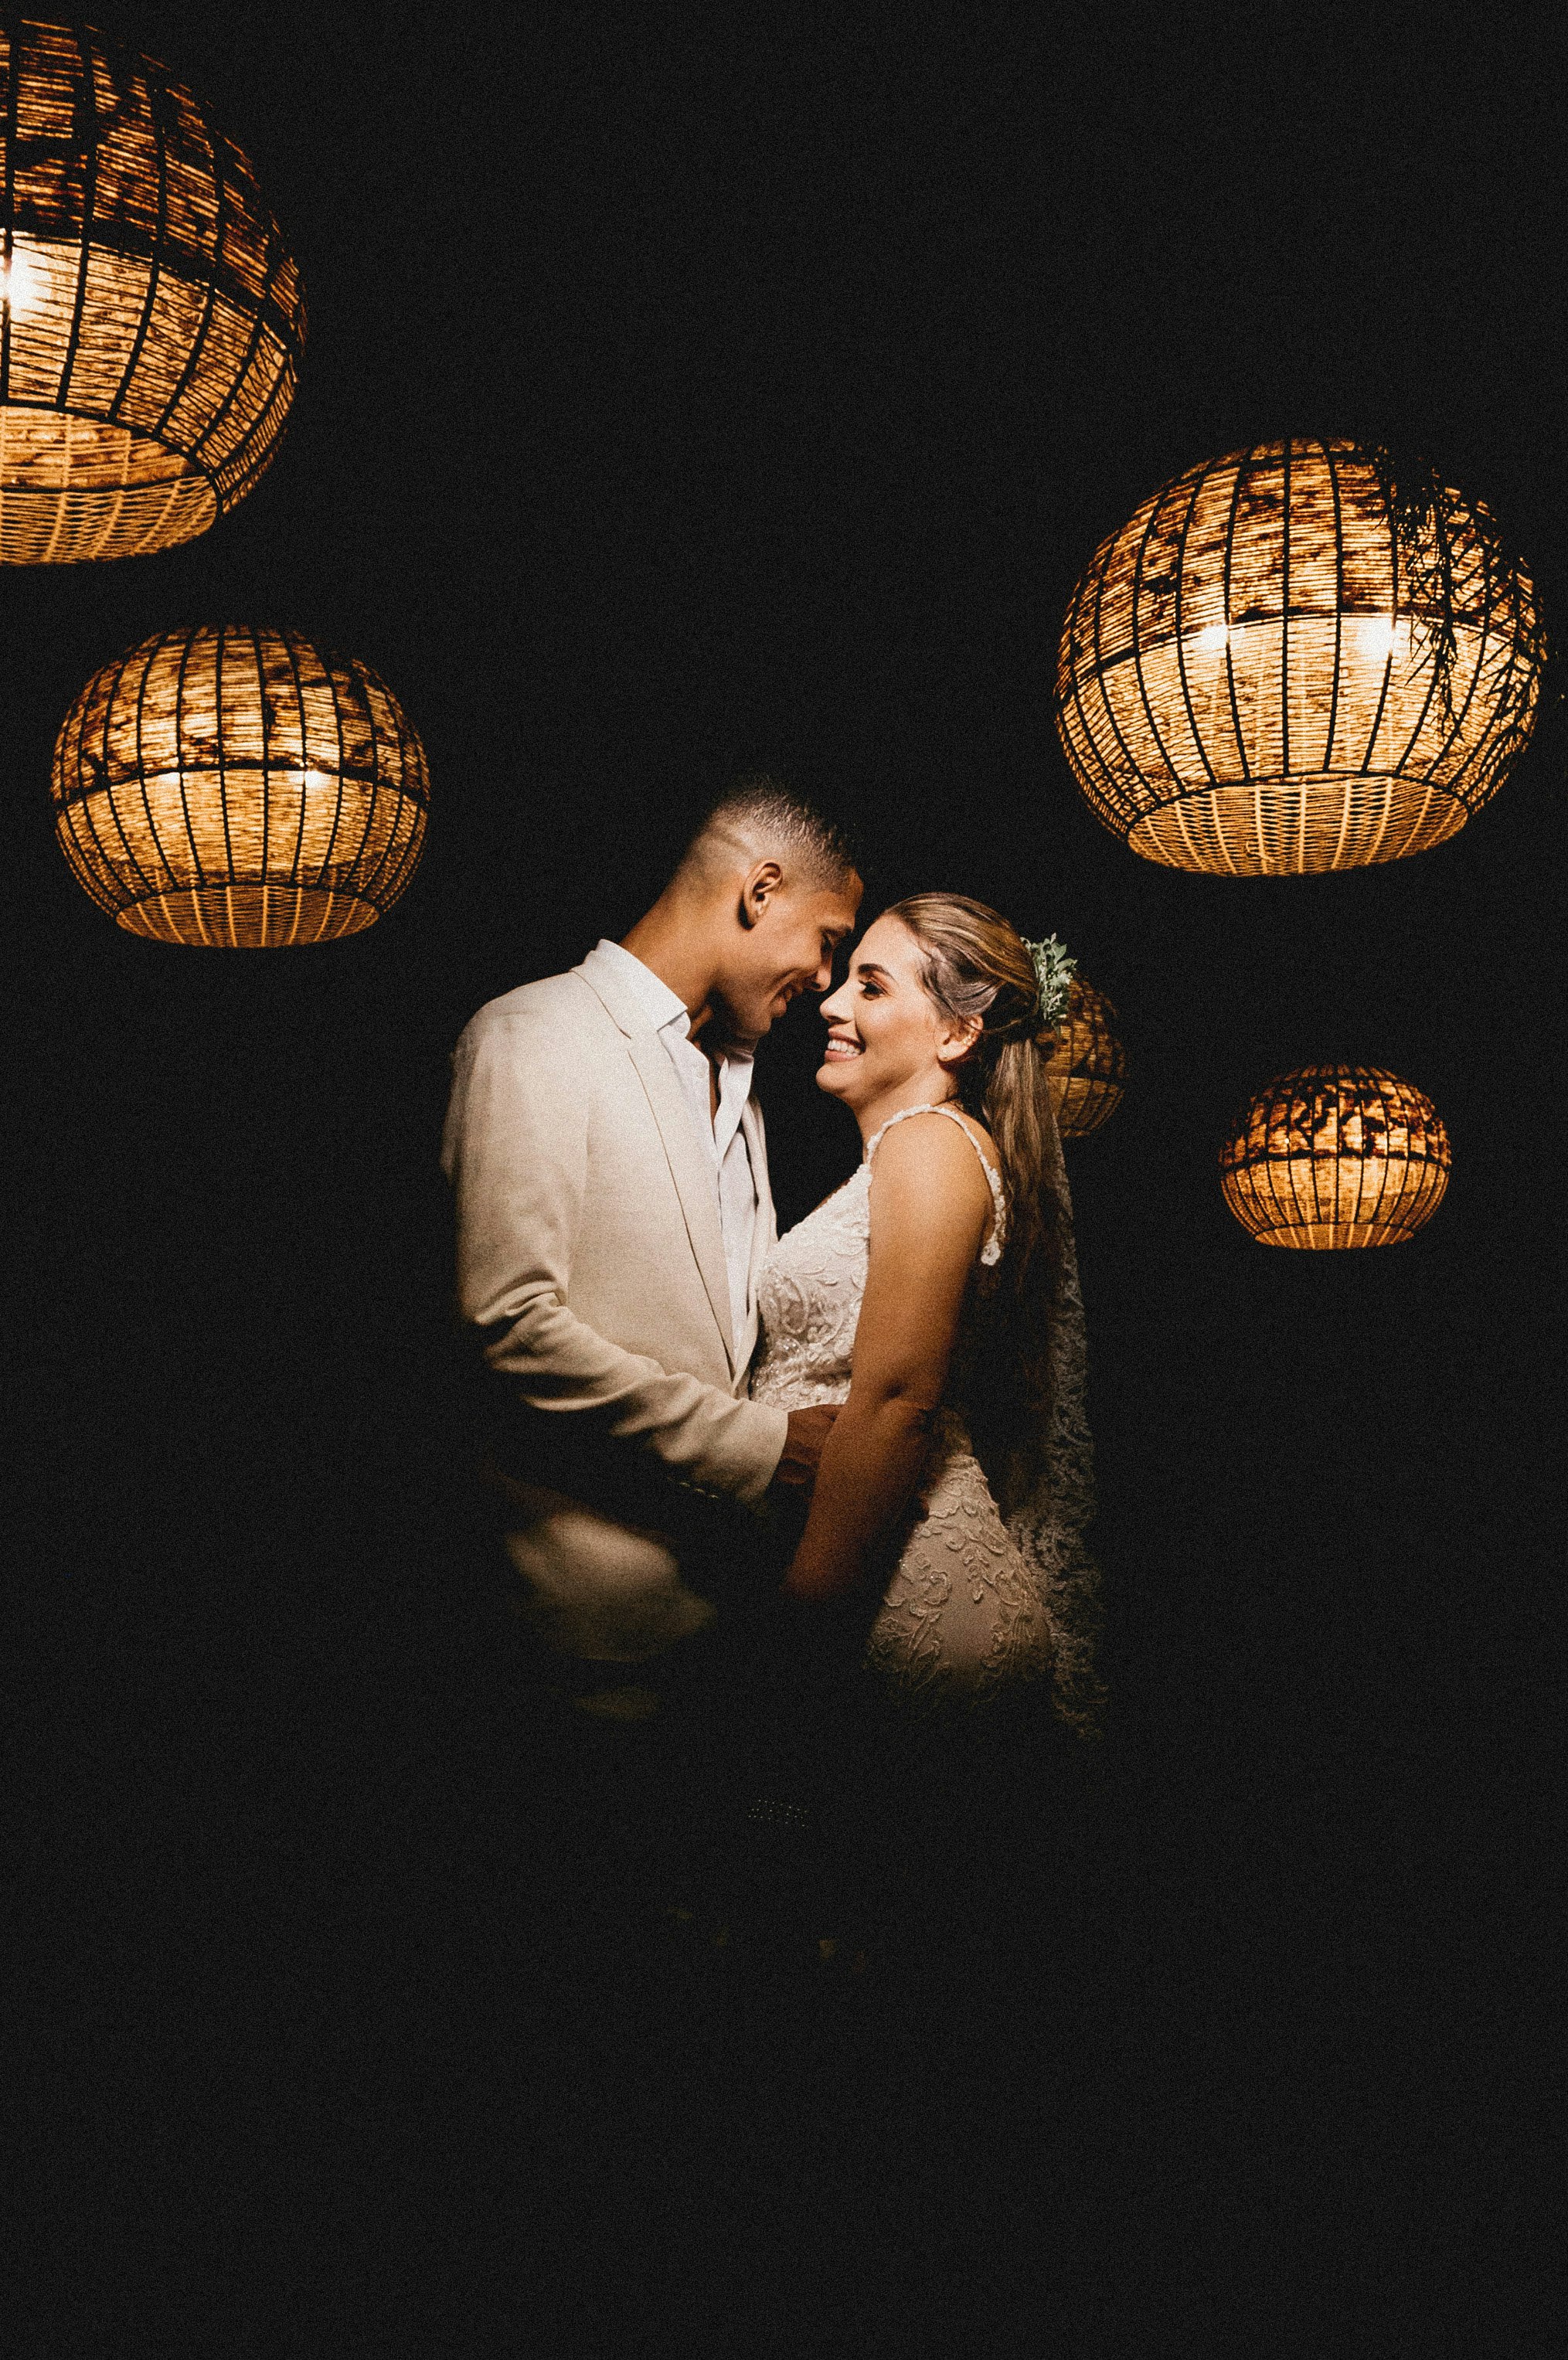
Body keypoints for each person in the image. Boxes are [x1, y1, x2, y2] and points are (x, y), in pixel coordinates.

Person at [439, 777, 862, 1914]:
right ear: (756, 887)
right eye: (824, 942)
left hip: (727, 1635)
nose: (821, 981)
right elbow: (509, 1325)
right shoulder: (532, 1033)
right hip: (587, 1637)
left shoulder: (746, 1083)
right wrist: (762, 1445)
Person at [747, 891, 1105, 1954]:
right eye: (842, 975)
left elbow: (897, 1398)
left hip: (900, 1602)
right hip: (885, 1584)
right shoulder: (901, 1155)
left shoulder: (929, 1142)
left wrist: (794, 1628)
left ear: (955, 1032)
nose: (832, 1002)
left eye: (872, 982)